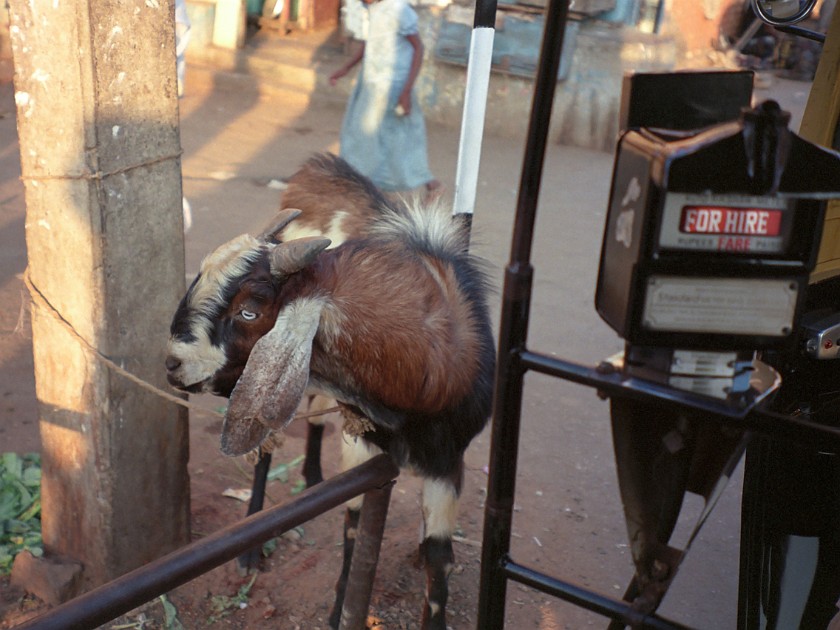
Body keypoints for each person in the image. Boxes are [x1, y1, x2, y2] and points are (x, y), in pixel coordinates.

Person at [329, 0, 442, 200]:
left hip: (394, 85)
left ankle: (429, 183)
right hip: (372, 82)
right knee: (364, 135)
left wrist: (406, 91)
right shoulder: (370, 10)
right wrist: (346, 68)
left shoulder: (398, 9)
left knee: (401, 137)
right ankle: (368, 185)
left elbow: (418, 48)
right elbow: (368, 43)